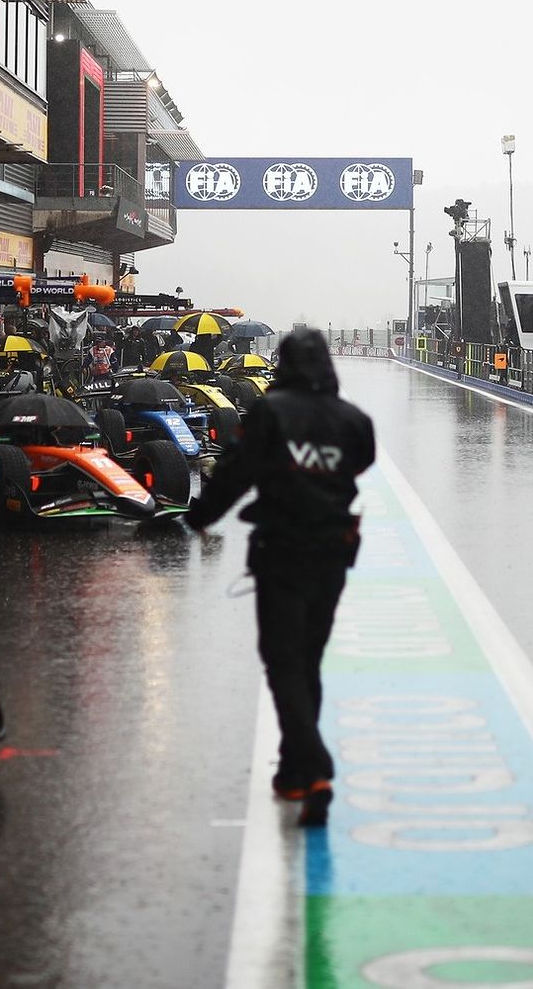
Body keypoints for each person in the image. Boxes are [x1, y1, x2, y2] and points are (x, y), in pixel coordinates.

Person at [185, 329, 375, 827]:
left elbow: (236, 472)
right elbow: (362, 458)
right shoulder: (352, 420)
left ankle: (315, 767)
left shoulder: (271, 412)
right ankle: (295, 770)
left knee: (282, 660)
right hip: (334, 554)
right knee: (307, 660)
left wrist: (201, 515)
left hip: (282, 552)